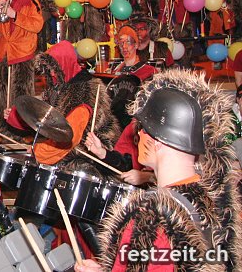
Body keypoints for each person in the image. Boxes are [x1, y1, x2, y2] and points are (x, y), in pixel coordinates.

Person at [77, 69, 242, 271]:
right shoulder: (213, 202)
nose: (138, 136)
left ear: (158, 141)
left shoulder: (151, 221)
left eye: (142, 129)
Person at [4, 41, 119, 172]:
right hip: (65, 152)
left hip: (89, 160)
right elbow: (45, 119)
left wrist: (36, 152)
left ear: (65, 64)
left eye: (54, 69)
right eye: (49, 70)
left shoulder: (84, 94)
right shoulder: (59, 87)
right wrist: (16, 115)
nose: (52, 74)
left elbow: (68, 140)